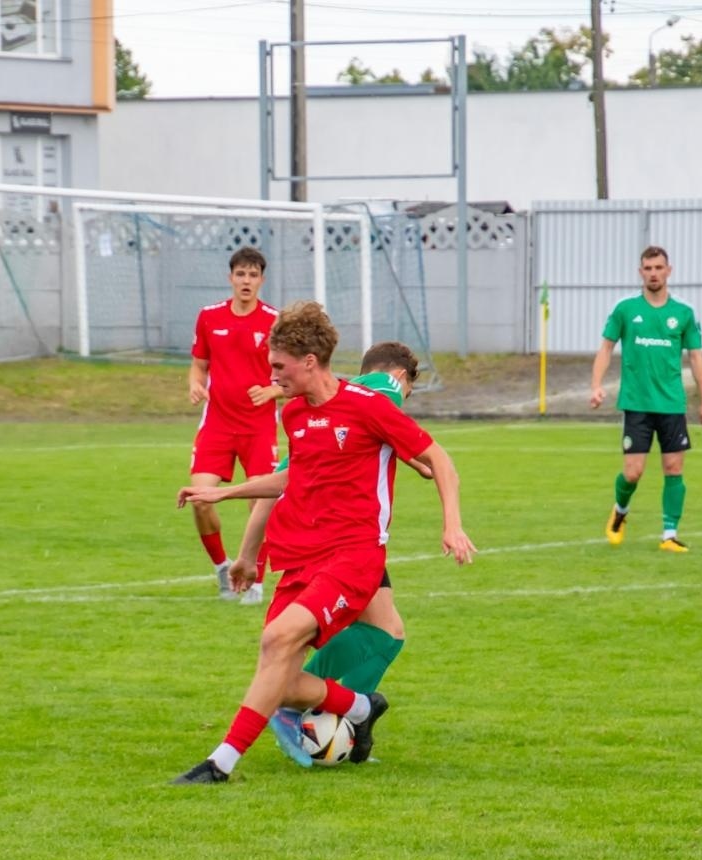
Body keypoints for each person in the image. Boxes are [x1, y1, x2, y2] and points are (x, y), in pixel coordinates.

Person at [171, 303, 475, 784]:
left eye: (278, 366)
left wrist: (451, 525)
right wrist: (224, 493)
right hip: (300, 557)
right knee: (283, 678)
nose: (272, 376)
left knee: (278, 639)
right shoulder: (294, 415)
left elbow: (439, 459)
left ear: (309, 360)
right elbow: (292, 478)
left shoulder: (369, 404)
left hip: (353, 556)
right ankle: (360, 707)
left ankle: (219, 764)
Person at [228, 342, 428, 768]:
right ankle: (306, 705)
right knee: (384, 633)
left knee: (386, 628)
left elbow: (282, 481)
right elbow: (282, 482)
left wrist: (248, 555)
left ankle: (336, 715)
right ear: (401, 377)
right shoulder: (385, 390)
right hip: (338, 543)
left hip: (339, 536)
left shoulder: (341, 398)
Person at [591, 246, 702, 552]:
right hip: (636, 403)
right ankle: (620, 512)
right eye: (648, 268)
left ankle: (669, 535)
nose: (653, 273)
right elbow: (606, 348)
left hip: (672, 404)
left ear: (668, 271)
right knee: (633, 472)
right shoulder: (625, 309)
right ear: (640, 272)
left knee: (674, 468)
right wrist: (596, 385)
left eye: (659, 267)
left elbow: (697, 358)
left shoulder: (683, 313)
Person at [186, 248, 282, 605]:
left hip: (259, 428)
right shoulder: (209, 317)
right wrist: (195, 384)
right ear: (231, 278)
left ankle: (254, 580)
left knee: (260, 504)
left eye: (253, 275)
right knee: (199, 500)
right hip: (217, 425)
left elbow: (291, 375)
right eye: (240, 274)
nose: (246, 281)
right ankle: (222, 570)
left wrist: (273, 389)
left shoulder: (275, 321)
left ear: (261, 280)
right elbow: (198, 365)